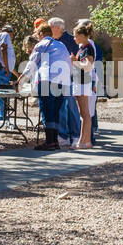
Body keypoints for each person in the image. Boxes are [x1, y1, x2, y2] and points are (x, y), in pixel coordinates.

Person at [26, 22, 71, 150]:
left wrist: (20, 78)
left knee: (47, 110)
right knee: (56, 111)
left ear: (41, 34)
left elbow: (31, 63)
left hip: (47, 80)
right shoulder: (61, 45)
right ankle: (55, 141)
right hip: (63, 82)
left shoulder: (42, 44)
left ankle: (50, 142)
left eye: (37, 34)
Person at [49, 17, 83, 146]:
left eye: (50, 27)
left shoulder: (70, 40)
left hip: (69, 78)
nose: (48, 30)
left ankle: (75, 135)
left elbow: (77, 59)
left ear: (57, 28)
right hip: (57, 79)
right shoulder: (52, 41)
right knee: (61, 108)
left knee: (71, 107)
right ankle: (63, 136)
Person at [70, 24, 95, 148]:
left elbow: (88, 66)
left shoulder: (88, 48)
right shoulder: (83, 47)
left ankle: (84, 141)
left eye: (75, 36)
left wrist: (75, 61)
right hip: (80, 81)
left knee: (85, 113)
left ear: (80, 36)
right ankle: (85, 141)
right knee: (83, 113)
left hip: (83, 82)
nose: (74, 39)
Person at [0, 24, 18, 121]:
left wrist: (16, 74)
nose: (12, 38)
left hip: (0, 68)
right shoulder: (5, 35)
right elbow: (3, 49)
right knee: (2, 94)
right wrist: (6, 69)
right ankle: (2, 119)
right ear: (10, 32)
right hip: (2, 69)